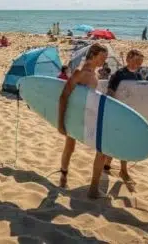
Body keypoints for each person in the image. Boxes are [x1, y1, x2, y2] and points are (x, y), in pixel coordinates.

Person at [58, 43, 108, 198]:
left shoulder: (96, 74)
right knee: (70, 147)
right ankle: (64, 175)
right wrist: (60, 122)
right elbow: (64, 95)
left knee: (102, 150)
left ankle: (93, 188)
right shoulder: (80, 73)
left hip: (89, 116)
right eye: (102, 58)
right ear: (93, 55)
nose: (104, 61)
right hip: (76, 117)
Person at [104, 49, 144, 184]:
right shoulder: (119, 74)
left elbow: (141, 96)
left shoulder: (139, 76)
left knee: (122, 140)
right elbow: (109, 92)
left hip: (131, 113)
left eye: (140, 62)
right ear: (128, 59)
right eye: (135, 61)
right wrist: (114, 109)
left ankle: (108, 165)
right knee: (118, 139)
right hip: (118, 111)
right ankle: (122, 170)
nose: (137, 64)